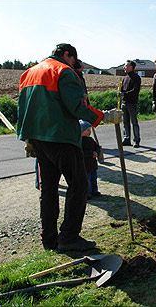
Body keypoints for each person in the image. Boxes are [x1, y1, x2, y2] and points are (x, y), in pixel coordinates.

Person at [17, 43, 123, 251]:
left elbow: (24, 108)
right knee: (79, 185)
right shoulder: (64, 71)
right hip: (62, 137)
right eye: (74, 60)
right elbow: (76, 106)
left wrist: (28, 138)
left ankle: (49, 239)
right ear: (67, 55)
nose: (74, 64)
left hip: (39, 139)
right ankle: (69, 237)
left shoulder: (29, 73)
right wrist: (104, 116)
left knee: (49, 189)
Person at [119, 60, 141, 148]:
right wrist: (120, 93)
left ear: (132, 67)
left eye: (126, 66)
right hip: (124, 103)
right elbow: (122, 90)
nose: (125, 67)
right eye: (124, 66)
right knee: (125, 122)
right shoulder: (124, 78)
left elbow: (135, 91)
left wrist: (125, 94)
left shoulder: (136, 78)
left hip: (132, 103)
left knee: (134, 122)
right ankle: (126, 138)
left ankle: (136, 140)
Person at [80, 120, 101, 199]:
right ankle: (88, 193)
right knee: (87, 180)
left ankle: (94, 191)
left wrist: (96, 152)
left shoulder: (91, 140)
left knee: (93, 179)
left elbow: (97, 147)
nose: (89, 132)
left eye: (90, 130)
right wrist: (91, 154)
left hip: (92, 164)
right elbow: (81, 153)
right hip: (85, 165)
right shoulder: (80, 142)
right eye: (87, 130)